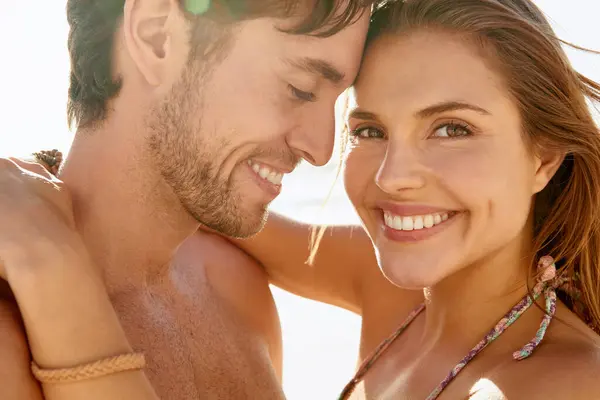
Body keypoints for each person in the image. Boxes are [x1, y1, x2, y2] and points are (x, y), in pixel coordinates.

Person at [0, 0, 372, 399]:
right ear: (157, 36)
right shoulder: (9, 334)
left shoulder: (234, 287)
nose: (322, 150)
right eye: (300, 88)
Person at [231, 0, 600, 398]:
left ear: (543, 160)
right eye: (371, 131)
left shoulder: (565, 384)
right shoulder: (384, 284)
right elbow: (224, 216)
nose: (391, 178)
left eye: (452, 129)